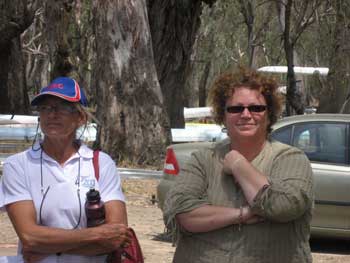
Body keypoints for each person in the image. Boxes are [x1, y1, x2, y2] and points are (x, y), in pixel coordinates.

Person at [163, 67, 314, 263]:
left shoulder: (291, 159)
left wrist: (238, 164)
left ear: (269, 114)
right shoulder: (203, 159)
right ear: (223, 115)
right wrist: (241, 214)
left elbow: (283, 205)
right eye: (235, 108)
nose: (245, 114)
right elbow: (183, 212)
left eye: (256, 108)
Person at [0, 77, 132, 263]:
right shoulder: (18, 165)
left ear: (80, 117)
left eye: (62, 107)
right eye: (45, 108)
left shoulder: (101, 163)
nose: (52, 114)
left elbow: (116, 237)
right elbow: (30, 237)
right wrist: (97, 234)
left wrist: (50, 248)